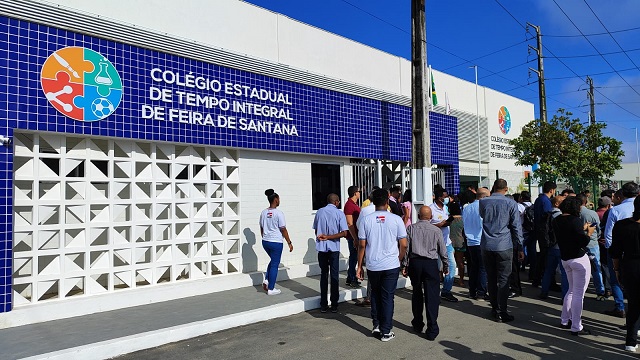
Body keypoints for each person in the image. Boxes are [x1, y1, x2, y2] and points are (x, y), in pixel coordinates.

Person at [357, 188, 408, 342]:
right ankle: (386, 331)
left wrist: (359, 266)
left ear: (372, 201)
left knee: (375, 295)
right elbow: (404, 245)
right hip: (391, 264)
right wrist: (398, 259)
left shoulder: (366, 220)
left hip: (373, 265)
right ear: (387, 201)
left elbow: (361, 245)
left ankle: (377, 325)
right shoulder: (396, 219)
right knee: (387, 297)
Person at [479, 179, 524, 323]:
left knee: (491, 279)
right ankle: (501, 311)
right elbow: (516, 226)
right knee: (504, 280)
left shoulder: (483, 202)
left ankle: (494, 308)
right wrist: (520, 246)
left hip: (487, 244)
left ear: (493, 188)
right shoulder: (511, 203)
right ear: (506, 189)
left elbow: (482, 217)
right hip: (504, 245)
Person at [402, 206, 448, 341]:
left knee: (416, 293)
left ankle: (417, 323)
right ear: (431, 216)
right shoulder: (436, 230)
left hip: (415, 263)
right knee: (432, 296)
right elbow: (443, 250)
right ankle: (432, 328)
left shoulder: (411, 228)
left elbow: (407, 247)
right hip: (430, 264)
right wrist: (446, 265)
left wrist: (404, 264)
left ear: (418, 215)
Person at [554, 196, 595, 336]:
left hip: (565, 258)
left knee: (571, 291)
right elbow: (582, 241)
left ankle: (565, 320)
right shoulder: (575, 220)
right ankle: (576, 326)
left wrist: (581, 230)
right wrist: (588, 233)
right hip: (578, 258)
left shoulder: (557, 220)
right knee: (578, 294)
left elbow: (568, 235)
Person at [604, 182, 640, 318]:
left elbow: (609, 234)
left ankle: (620, 307)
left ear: (622, 194)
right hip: (634, 251)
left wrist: (611, 251)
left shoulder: (615, 210)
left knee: (616, 280)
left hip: (620, 252)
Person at [611, 196, 640, 352]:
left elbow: (615, 252)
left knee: (634, 304)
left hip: (630, 267)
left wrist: (616, 270)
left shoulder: (622, 225)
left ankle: (631, 341)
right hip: (630, 265)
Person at [313, 193, 349, 313]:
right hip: (333, 248)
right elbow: (344, 233)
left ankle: (323, 304)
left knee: (324, 275)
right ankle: (334, 304)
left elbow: (316, 230)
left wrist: (324, 237)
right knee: (334, 275)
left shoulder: (319, 212)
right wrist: (329, 237)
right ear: (336, 202)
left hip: (322, 248)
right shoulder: (339, 213)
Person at [260, 189, 293, 295]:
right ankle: (271, 288)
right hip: (276, 242)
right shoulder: (279, 213)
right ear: (275, 200)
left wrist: (265, 236)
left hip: (265, 241)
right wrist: (289, 242)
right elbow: (283, 229)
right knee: (275, 264)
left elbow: (261, 227)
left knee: (273, 260)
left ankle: (266, 279)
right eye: (278, 199)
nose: (279, 201)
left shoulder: (264, 212)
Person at [430, 188, 458, 302]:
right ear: (438, 197)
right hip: (435, 244)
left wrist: (448, 222)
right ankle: (434, 292)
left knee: (451, 266)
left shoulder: (445, 208)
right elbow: (427, 225)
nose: (446, 198)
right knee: (436, 268)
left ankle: (446, 291)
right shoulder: (431, 209)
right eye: (444, 196)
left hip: (447, 243)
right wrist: (440, 224)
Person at [539, 195, 569, 299]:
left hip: (550, 246)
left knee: (548, 270)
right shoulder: (559, 216)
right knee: (564, 272)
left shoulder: (547, 214)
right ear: (557, 203)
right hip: (560, 247)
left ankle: (544, 291)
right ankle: (565, 296)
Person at [463, 188, 489, 300]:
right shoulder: (484, 207)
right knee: (483, 268)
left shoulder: (467, 208)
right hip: (481, 240)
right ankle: (481, 292)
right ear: (484, 197)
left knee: (473, 267)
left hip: (470, 241)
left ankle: (472, 291)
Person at [578, 193, 604, 300]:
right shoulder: (592, 213)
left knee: (580, 269)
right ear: (585, 201)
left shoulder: (574, 214)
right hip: (592, 243)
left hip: (579, 244)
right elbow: (598, 228)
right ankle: (600, 291)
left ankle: (580, 290)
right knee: (596, 268)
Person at [532, 181, 557, 287]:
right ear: (552, 190)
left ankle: (537, 279)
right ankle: (548, 281)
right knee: (547, 257)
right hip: (545, 233)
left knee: (542, 257)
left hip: (539, 230)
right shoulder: (546, 201)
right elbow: (548, 217)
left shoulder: (539, 199)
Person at [344, 186, 362, 288]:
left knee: (354, 256)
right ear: (355, 193)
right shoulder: (349, 205)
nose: (360, 193)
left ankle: (350, 277)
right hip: (353, 236)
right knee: (354, 256)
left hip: (356, 234)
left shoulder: (354, 204)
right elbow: (349, 223)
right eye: (359, 192)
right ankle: (351, 278)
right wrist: (355, 238)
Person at [449, 200, 466, 287]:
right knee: (460, 262)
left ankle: (445, 277)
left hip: (450, 242)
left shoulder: (449, 219)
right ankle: (461, 280)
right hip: (460, 242)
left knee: (449, 262)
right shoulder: (463, 219)